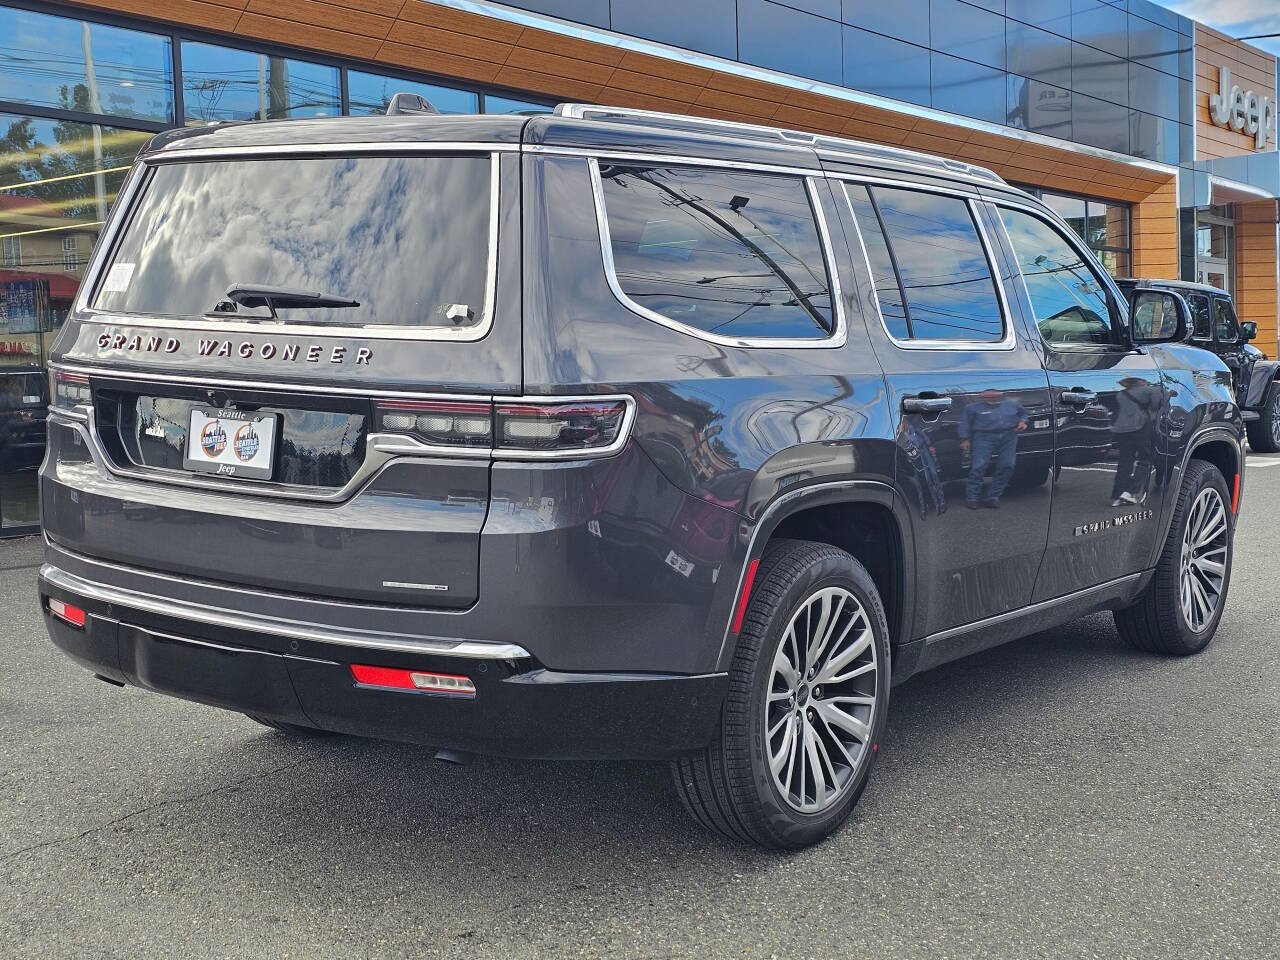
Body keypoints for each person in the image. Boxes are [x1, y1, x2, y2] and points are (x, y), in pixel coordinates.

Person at [958, 389, 1028, 509]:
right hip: (983, 436)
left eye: (995, 393)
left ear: (1000, 394)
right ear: (982, 395)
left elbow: (1024, 413)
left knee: (1008, 464)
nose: (992, 396)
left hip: (1009, 434)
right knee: (979, 465)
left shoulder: (1012, 404)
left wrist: (1023, 421)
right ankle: (972, 497)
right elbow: (965, 423)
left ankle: (993, 496)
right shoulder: (972, 408)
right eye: (989, 394)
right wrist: (965, 439)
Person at [1111, 376, 1165, 507]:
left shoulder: (1121, 394)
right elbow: (1157, 405)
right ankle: (1130, 492)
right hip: (1140, 428)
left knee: (1124, 461)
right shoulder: (1147, 390)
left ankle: (1118, 495)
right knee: (1146, 459)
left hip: (1121, 430)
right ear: (1141, 381)